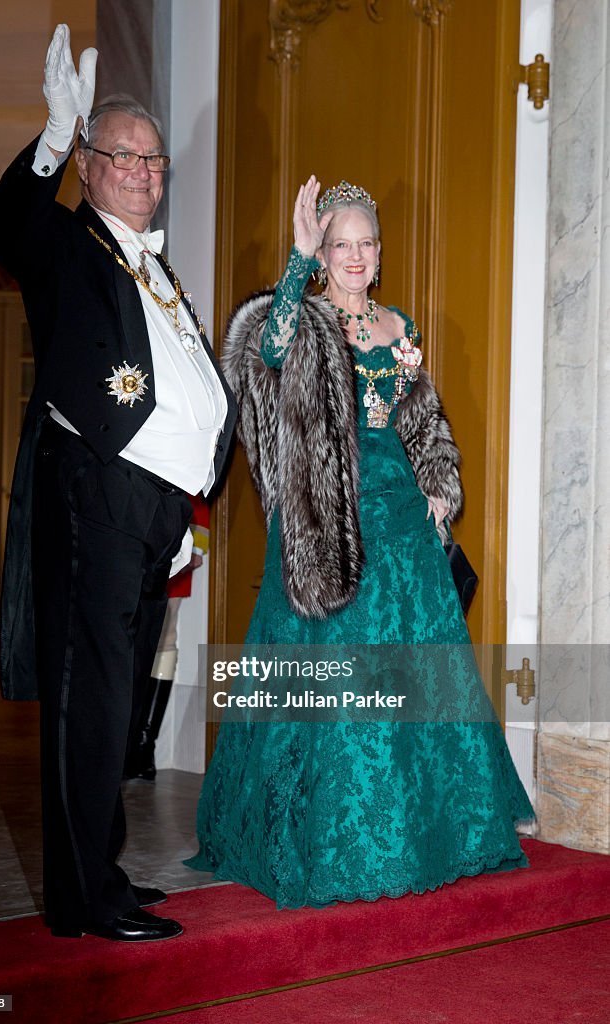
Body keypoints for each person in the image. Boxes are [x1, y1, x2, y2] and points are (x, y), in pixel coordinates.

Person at [184, 177, 533, 909]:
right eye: (338, 244)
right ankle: (337, 840)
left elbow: (417, 414)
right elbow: (267, 353)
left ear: (378, 254)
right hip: (327, 517)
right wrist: (294, 258)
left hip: (400, 516)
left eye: (363, 243)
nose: (353, 255)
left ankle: (430, 832)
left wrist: (437, 480)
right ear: (323, 253)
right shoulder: (303, 320)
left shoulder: (395, 325)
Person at [0, 24, 236, 941]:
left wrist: (193, 491)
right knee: (88, 699)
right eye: (119, 154)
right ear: (88, 167)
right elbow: (3, 223)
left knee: (121, 702)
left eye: (151, 158)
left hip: (155, 509)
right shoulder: (65, 248)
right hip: (97, 496)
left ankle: (105, 873)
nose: (139, 168)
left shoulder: (154, 265)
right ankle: (82, 900)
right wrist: (51, 137)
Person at [125, 494, 210, 781]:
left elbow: (197, 489)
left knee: (165, 640)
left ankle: (144, 746)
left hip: (173, 552)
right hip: (129, 552)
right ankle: (125, 746)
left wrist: (197, 545)